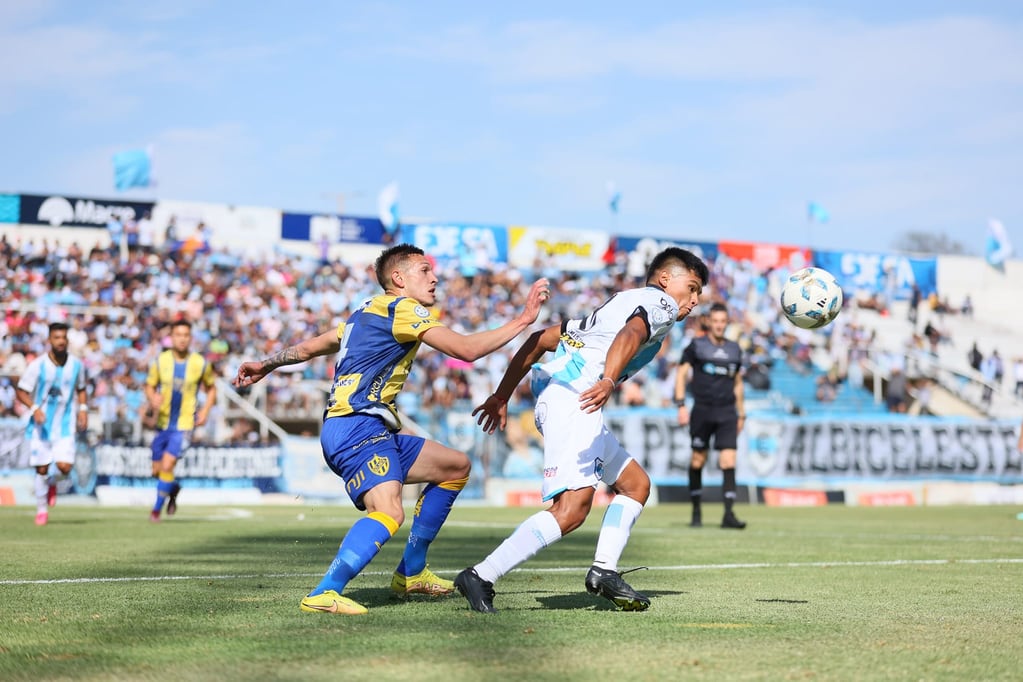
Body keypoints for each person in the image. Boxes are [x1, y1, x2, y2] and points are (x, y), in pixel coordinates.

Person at [233, 243, 550, 616]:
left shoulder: (362, 313)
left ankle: (411, 572)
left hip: (365, 427)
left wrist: (267, 365)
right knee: (388, 511)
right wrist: (523, 320)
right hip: (356, 427)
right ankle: (324, 591)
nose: (434, 279)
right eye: (424, 270)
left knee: (454, 467)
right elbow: (465, 350)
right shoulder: (402, 310)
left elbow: (307, 350)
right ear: (398, 279)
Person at [454, 247, 708, 614]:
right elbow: (633, 332)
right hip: (578, 399)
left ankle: (603, 571)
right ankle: (481, 575)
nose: (695, 300)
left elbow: (540, 340)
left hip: (567, 397)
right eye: (693, 287)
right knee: (571, 510)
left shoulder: (617, 305)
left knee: (635, 485)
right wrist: (608, 379)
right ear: (666, 279)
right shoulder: (662, 303)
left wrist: (501, 395)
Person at [674, 302, 747, 530]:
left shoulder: (735, 349)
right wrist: (681, 404)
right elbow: (682, 373)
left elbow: (737, 382)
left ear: (727, 323)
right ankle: (696, 511)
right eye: (715, 321)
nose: (719, 325)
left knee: (729, 460)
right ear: (709, 322)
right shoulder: (696, 346)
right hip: (702, 409)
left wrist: (741, 412)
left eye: (722, 322)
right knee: (698, 460)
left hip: (727, 411)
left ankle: (728, 513)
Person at [15, 322, 89, 526]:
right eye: (56, 337)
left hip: (66, 424)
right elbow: (21, 391)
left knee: (65, 467)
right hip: (42, 426)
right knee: (41, 468)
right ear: (49, 340)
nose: (61, 341)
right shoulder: (38, 365)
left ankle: (53, 484)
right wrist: (34, 408)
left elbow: (82, 388)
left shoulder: (76, 365)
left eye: (64, 338)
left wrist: (83, 410)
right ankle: (41, 510)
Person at [145, 319, 217, 522]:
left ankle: (155, 512)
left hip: (184, 425)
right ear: (172, 337)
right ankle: (174, 490)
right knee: (157, 471)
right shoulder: (161, 361)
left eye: (186, 335)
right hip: (162, 424)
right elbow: (149, 385)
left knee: (167, 466)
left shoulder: (200, 363)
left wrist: (205, 410)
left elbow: (212, 388)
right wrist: (152, 397)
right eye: (178, 335)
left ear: (190, 338)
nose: (182, 339)